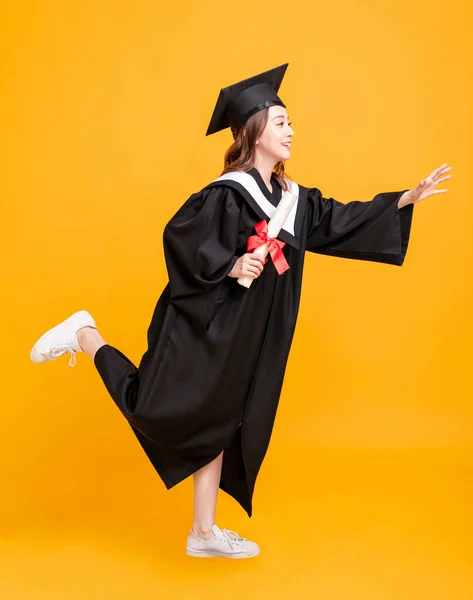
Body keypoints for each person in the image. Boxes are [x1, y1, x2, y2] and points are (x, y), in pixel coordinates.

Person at [30, 63, 452, 559]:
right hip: (206, 325)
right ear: (252, 132)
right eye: (280, 122)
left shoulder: (292, 199)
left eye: (290, 122)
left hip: (248, 333)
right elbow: (183, 240)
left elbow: (338, 220)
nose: (291, 130)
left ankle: (203, 533)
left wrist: (404, 199)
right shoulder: (226, 194)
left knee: (221, 420)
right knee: (153, 408)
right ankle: (84, 333)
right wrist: (232, 266)